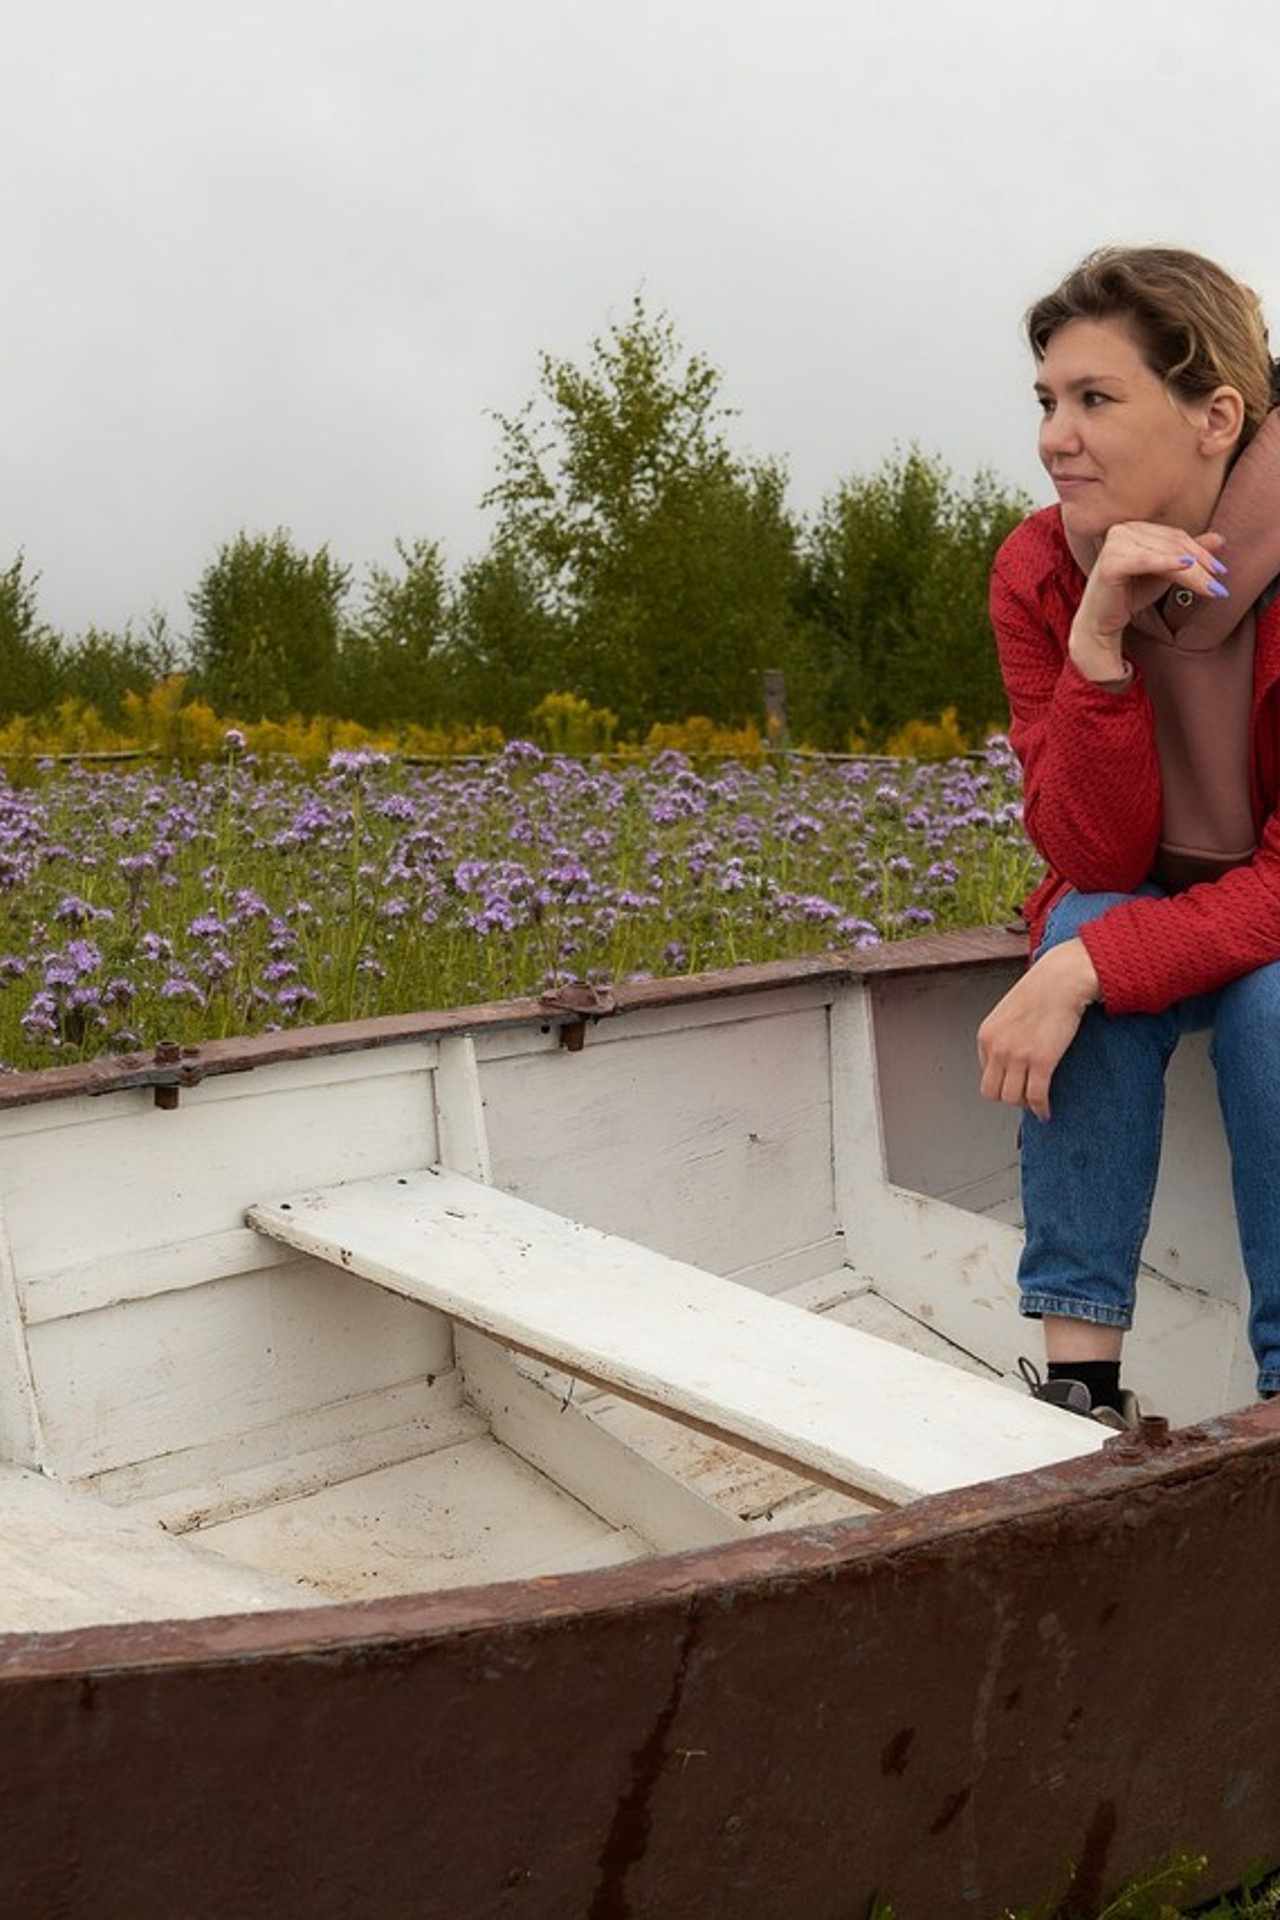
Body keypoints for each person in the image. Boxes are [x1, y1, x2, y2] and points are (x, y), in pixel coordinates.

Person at [977, 244, 1280, 1423]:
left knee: (1265, 1007)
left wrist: (1083, 965)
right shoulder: (1038, 569)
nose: (1054, 437)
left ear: (1214, 418)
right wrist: (1096, 637)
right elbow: (1092, 858)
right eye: (1046, 401)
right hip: (1153, 894)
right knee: (1088, 928)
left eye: (1094, 399)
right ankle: (1077, 1387)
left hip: (1268, 914)